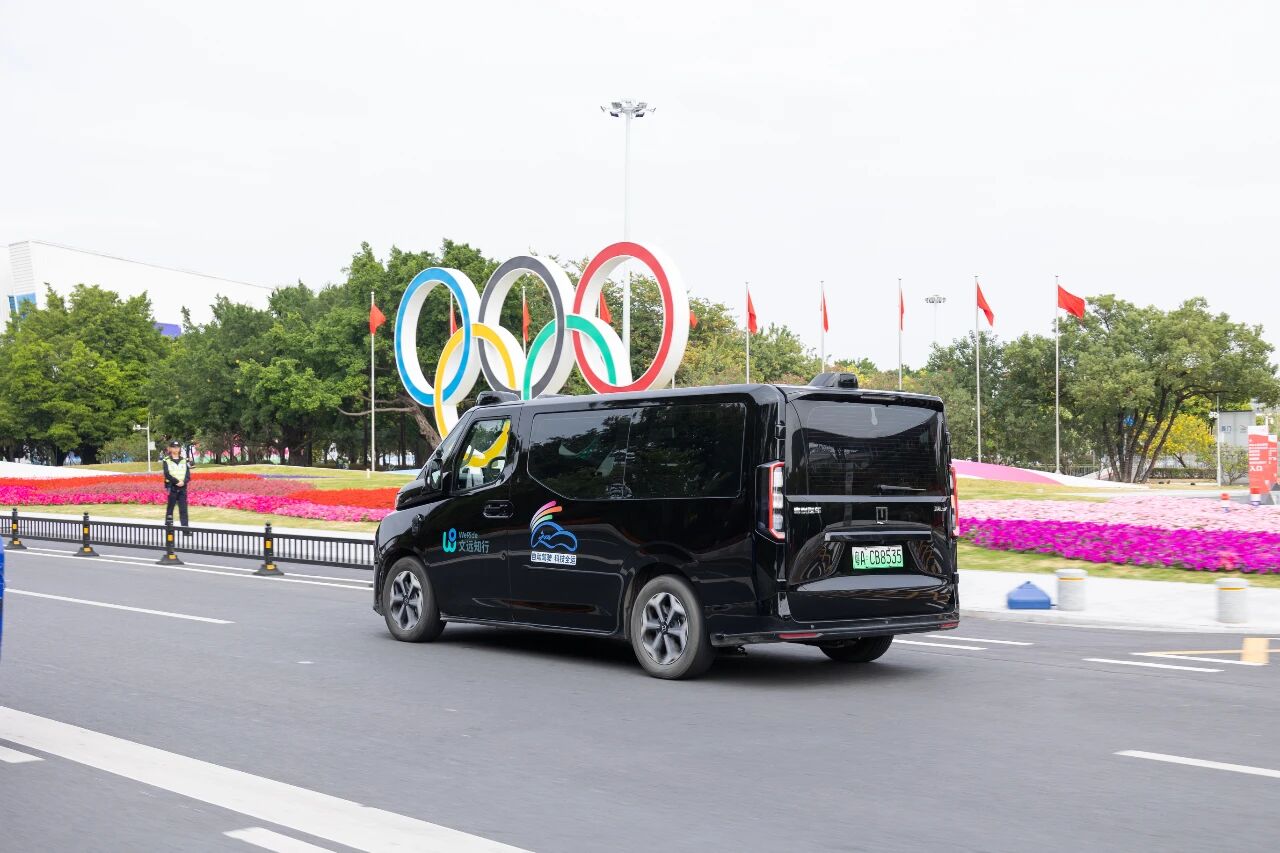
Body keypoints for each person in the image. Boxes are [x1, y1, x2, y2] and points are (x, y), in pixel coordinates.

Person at [161, 440, 193, 534]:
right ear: (170, 449)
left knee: (183, 509)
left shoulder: (184, 460)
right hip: (172, 487)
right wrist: (177, 481)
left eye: (177, 447)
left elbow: (188, 475)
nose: (176, 449)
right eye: (174, 447)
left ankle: (185, 530)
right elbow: (167, 474)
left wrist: (183, 482)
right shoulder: (166, 460)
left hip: (182, 487)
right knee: (170, 509)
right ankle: (169, 529)